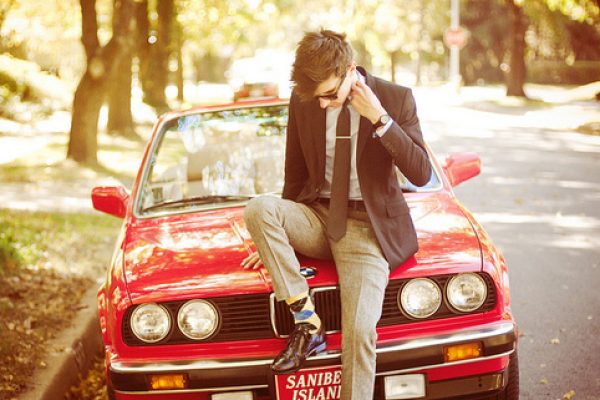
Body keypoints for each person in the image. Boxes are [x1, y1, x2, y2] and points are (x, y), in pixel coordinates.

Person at [241, 29, 431, 400]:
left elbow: (421, 173)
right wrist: (275, 240)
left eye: (330, 94)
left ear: (350, 69)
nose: (324, 104)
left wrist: (380, 119)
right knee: (258, 208)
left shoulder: (395, 98)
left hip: (366, 230)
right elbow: (294, 173)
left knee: (359, 333)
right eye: (318, 97)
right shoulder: (305, 101)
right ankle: (307, 323)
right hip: (316, 217)